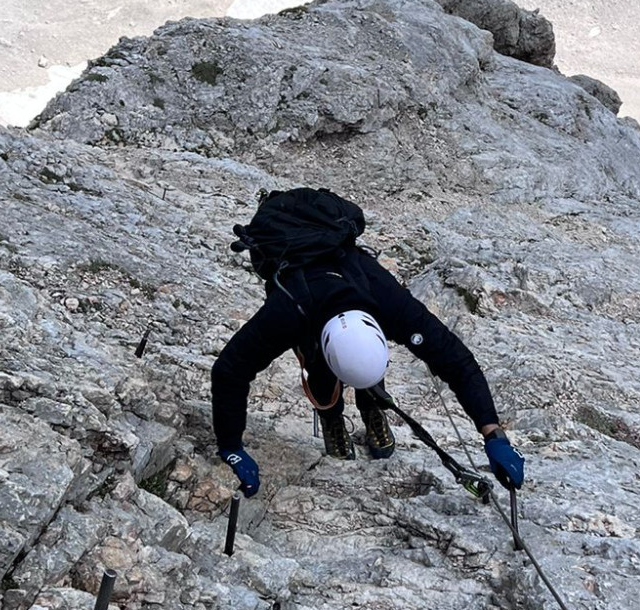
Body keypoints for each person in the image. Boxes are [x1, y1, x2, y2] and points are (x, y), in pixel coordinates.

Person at [211, 188, 525, 500]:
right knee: (317, 368)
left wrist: (493, 433)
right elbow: (230, 370)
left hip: (346, 281)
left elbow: (455, 359)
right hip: (305, 294)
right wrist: (231, 446)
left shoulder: (388, 299)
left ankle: (372, 405)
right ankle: (331, 416)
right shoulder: (289, 310)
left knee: (361, 365)